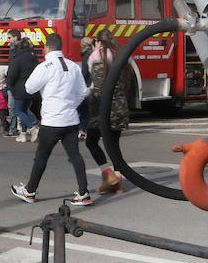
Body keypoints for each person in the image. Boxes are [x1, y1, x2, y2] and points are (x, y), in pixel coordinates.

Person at [10, 32, 91, 206]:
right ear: (60, 47)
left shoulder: (46, 66)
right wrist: (71, 105)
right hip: (71, 120)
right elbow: (83, 92)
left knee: (41, 157)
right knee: (75, 156)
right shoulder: (73, 66)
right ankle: (84, 193)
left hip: (52, 121)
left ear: (47, 47)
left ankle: (30, 191)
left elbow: (29, 87)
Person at [85, 30, 131, 195]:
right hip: (120, 106)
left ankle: (108, 176)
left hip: (102, 109)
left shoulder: (95, 56)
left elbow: (96, 86)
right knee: (114, 144)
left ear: (98, 42)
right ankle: (117, 182)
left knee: (91, 141)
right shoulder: (120, 54)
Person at [7, 36, 41, 142]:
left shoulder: (17, 58)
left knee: (18, 111)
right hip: (31, 89)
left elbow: (11, 75)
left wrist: (10, 87)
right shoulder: (34, 57)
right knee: (25, 111)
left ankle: (32, 128)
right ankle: (23, 134)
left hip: (19, 89)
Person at [0, 71, 14, 136]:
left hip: (3, 106)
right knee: (2, 118)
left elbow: (6, 96)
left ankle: (6, 129)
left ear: (0, 80)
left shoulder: (3, 88)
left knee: (3, 119)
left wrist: (4, 88)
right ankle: (7, 127)